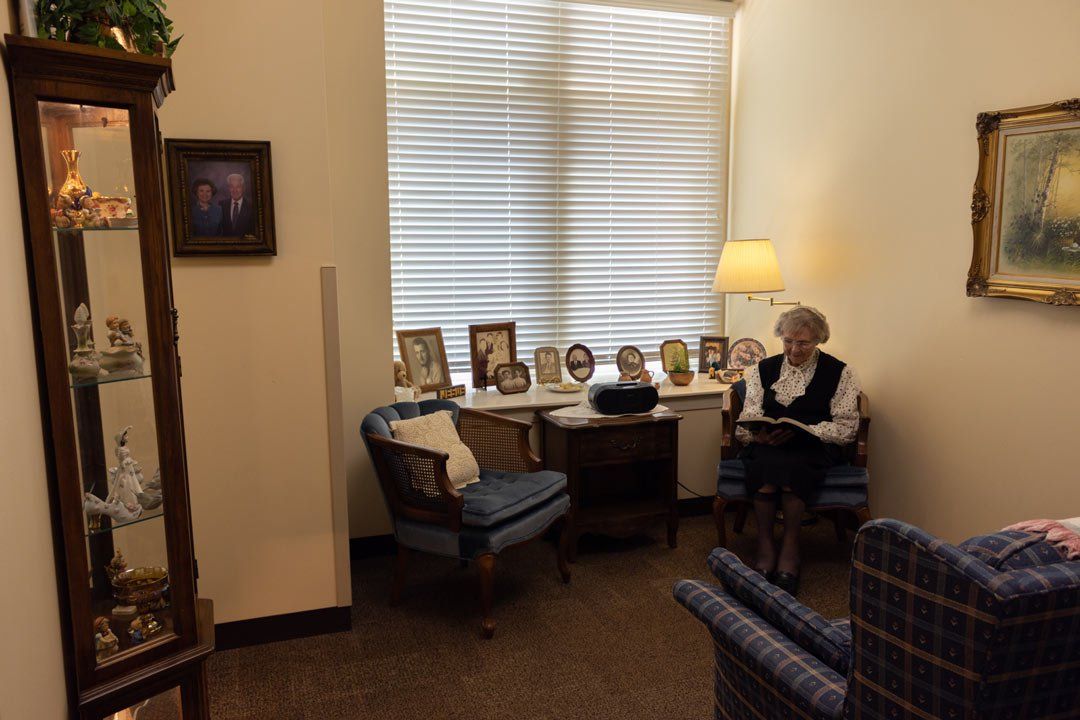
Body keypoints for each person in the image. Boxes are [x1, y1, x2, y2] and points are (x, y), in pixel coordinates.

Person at [735, 306, 860, 596]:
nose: (794, 349)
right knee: (765, 463)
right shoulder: (761, 371)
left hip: (813, 448)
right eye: (788, 341)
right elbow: (748, 415)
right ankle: (766, 547)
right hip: (767, 446)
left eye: (803, 343)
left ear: (818, 340)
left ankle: (790, 549)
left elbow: (846, 427)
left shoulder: (840, 372)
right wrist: (759, 435)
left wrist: (810, 431)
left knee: (793, 467)